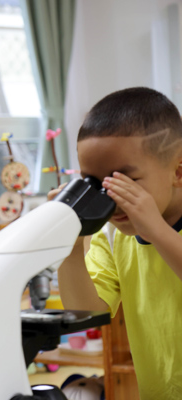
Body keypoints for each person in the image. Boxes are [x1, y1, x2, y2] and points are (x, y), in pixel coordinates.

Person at [53, 87, 182, 399]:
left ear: (178, 171)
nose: (110, 198)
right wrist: (69, 247)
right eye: (94, 184)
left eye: (125, 182)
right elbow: (85, 311)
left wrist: (158, 233)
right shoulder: (110, 236)